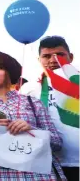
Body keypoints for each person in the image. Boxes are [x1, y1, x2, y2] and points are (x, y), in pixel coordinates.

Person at [0, 50, 65, 180]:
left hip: (35, 175)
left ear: (10, 70)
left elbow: (57, 142)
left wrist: (31, 129)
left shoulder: (33, 103)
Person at [21, 36, 78, 180]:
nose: (53, 60)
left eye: (59, 55)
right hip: (46, 165)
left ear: (70, 57)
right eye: (46, 56)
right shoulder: (29, 89)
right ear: (39, 59)